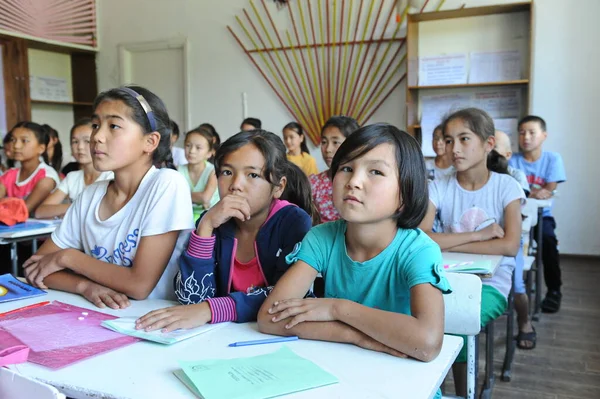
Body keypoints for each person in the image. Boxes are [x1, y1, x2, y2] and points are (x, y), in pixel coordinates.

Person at [257, 124, 450, 373]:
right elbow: (270, 318)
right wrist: (353, 336)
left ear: (406, 193)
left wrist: (338, 308)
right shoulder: (322, 238)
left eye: (376, 172)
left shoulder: (418, 250)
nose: (354, 182)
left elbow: (427, 343)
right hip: (339, 371)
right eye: (346, 168)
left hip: (401, 377)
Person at [22, 86, 194, 307]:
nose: (97, 137)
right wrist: (84, 286)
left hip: (152, 323)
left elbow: (139, 285)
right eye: (96, 125)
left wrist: (68, 258)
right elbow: (35, 267)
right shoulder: (92, 194)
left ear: (150, 142)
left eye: (114, 126)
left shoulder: (166, 184)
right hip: (103, 318)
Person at [135, 130, 313, 332]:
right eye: (227, 172)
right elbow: (191, 297)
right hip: (219, 336)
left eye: (253, 175)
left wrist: (211, 309)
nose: (235, 185)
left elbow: (287, 299)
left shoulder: (293, 223)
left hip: (275, 336)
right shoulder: (213, 221)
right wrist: (205, 228)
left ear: (278, 187)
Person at [419, 108, 524, 397]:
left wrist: (449, 240)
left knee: (456, 323)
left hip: (490, 284)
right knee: (423, 321)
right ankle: (433, 389)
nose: (454, 148)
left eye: (464, 139)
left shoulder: (507, 186)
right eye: (449, 140)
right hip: (444, 278)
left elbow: (509, 245)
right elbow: (423, 237)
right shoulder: (438, 187)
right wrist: (479, 235)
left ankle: (466, 393)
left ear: (489, 144)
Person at [509, 115, 566, 313]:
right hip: (517, 215)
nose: (526, 137)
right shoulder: (511, 159)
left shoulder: (552, 159)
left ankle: (554, 290)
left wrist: (532, 191)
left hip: (542, 216)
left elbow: (549, 189)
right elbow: (514, 188)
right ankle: (515, 287)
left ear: (544, 135)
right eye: (522, 132)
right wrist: (535, 191)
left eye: (532, 132)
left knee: (548, 241)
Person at [35, 118, 113, 219]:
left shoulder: (111, 177)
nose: (80, 147)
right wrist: (77, 207)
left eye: (87, 141)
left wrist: (64, 209)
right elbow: (41, 211)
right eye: (75, 142)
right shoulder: (72, 177)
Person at [0, 122, 60, 213]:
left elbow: (23, 211)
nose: (16, 146)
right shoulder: (9, 174)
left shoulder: (46, 177)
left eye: (24, 141)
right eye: (13, 140)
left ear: (41, 148)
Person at [309, 116, 359, 224]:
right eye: (324, 142)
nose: (328, 149)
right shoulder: (314, 183)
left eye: (335, 142)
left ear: (353, 145)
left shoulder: (359, 184)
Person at [179, 127, 219, 222]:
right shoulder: (178, 170)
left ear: (209, 153)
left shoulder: (212, 171)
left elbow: (205, 198)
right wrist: (198, 198)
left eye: (198, 148)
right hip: (184, 215)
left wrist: (182, 196)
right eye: (188, 145)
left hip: (210, 217)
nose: (192, 151)